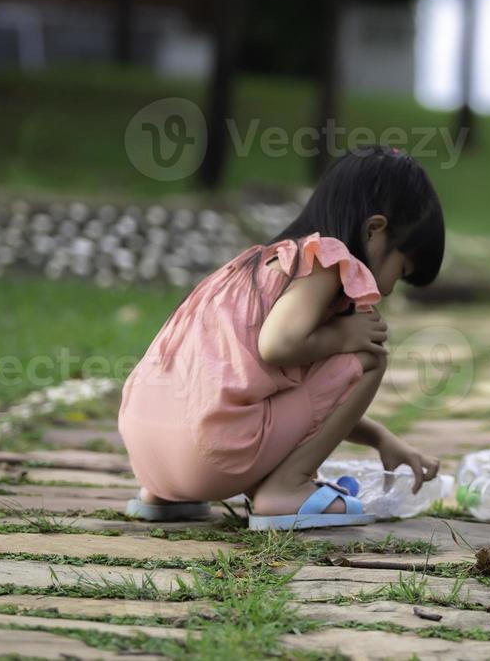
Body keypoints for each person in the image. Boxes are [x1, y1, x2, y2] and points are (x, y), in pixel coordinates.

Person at [118, 145, 445, 530]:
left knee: (315, 366)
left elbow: (313, 401)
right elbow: (276, 346)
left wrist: (381, 439)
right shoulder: (325, 263)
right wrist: (342, 335)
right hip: (211, 457)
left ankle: (165, 497)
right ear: (375, 230)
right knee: (370, 357)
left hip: (148, 454)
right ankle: (288, 488)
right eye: (401, 268)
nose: (390, 288)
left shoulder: (256, 266)